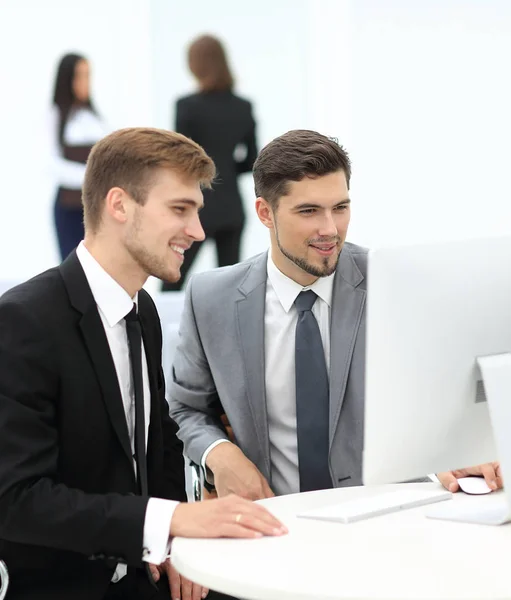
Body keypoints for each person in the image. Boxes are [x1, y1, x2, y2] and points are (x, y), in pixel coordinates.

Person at [0, 127, 286, 600]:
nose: (197, 231)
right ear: (119, 206)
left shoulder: (143, 310)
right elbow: (16, 499)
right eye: (180, 209)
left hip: (142, 576)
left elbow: (158, 444)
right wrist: (170, 521)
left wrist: (174, 543)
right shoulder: (24, 321)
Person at [168, 129, 503, 503]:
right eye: (309, 211)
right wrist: (221, 455)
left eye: (340, 208)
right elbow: (187, 407)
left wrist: (455, 450)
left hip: (387, 515)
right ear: (265, 212)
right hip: (272, 523)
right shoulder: (211, 297)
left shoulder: (396, 283)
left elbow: (442, 399)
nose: (330, 230)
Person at [161, 35, 257, 291]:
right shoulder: (243, 107)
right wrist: (224, 166)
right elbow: (251, 161)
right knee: (231, 289)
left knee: (172, 279)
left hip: (197, 207)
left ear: (196, 65)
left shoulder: (187, 107)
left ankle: (157, 331)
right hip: (231, 208)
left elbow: (178, 160)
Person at [50, 53, 108, 260]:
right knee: (73, 264)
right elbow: (51, 163)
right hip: (70, 206)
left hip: (96, 206)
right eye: (79, 76)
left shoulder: (94, 117)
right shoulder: (55, 116)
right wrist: (90, 177)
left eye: (87, 75)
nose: (85, 82)